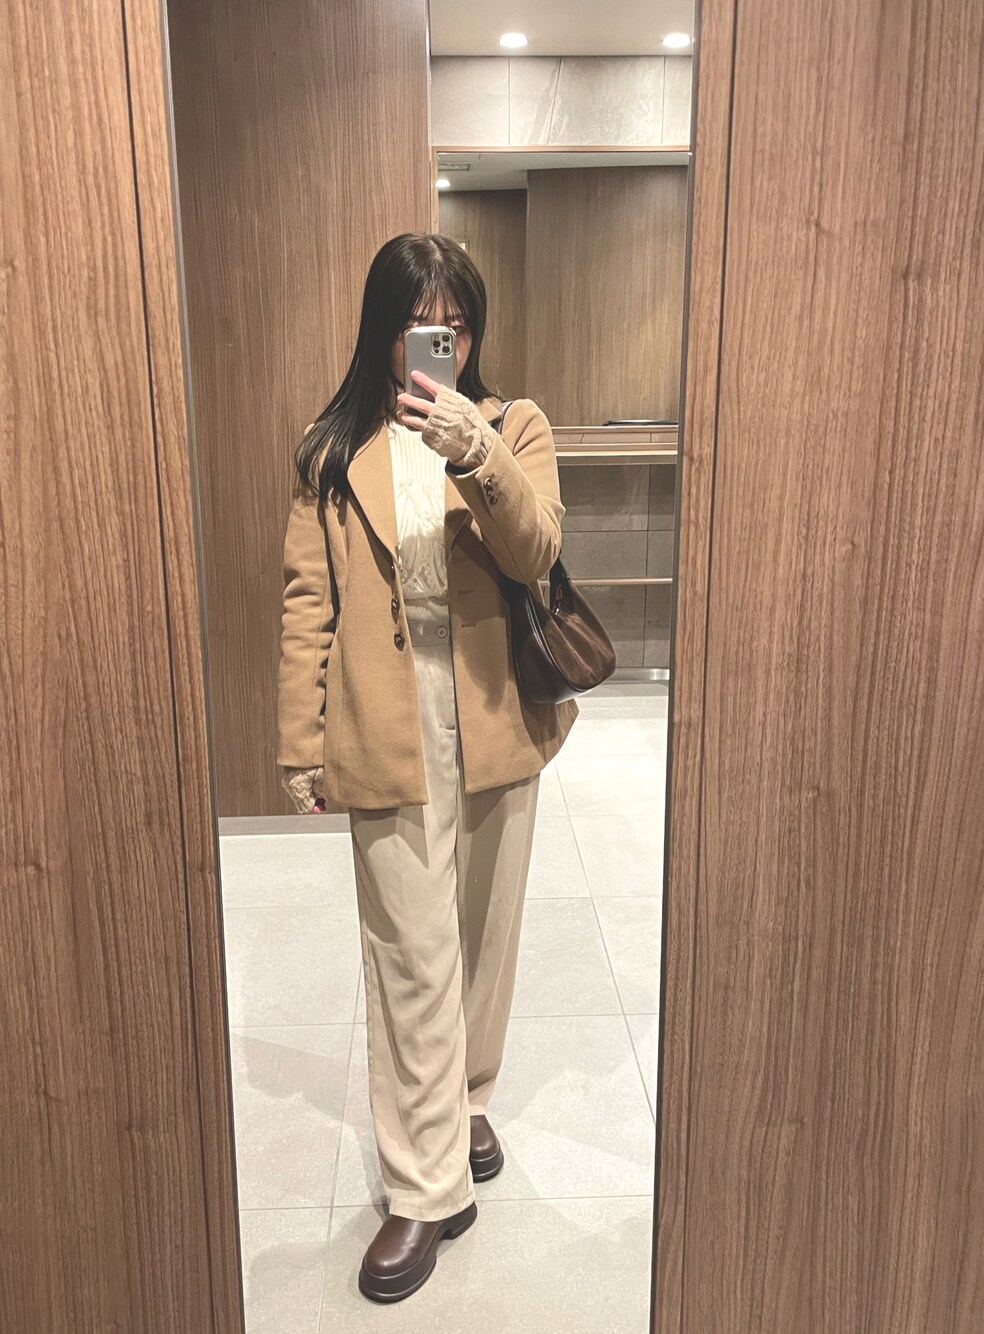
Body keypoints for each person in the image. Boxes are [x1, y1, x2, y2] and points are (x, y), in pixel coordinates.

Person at [276, 232, 578, 1302]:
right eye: (419, 322)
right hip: (383, 721)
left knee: (481, 943)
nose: (439, 339)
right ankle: (424, 1187)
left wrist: (474, 450)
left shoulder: (513, 425)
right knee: (409, 957)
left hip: (492, 716)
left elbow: (537, 549)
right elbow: (306, 603)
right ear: (384, 331)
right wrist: (299, 742)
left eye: (455, 322)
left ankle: (467, 1097)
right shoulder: (330, 451)